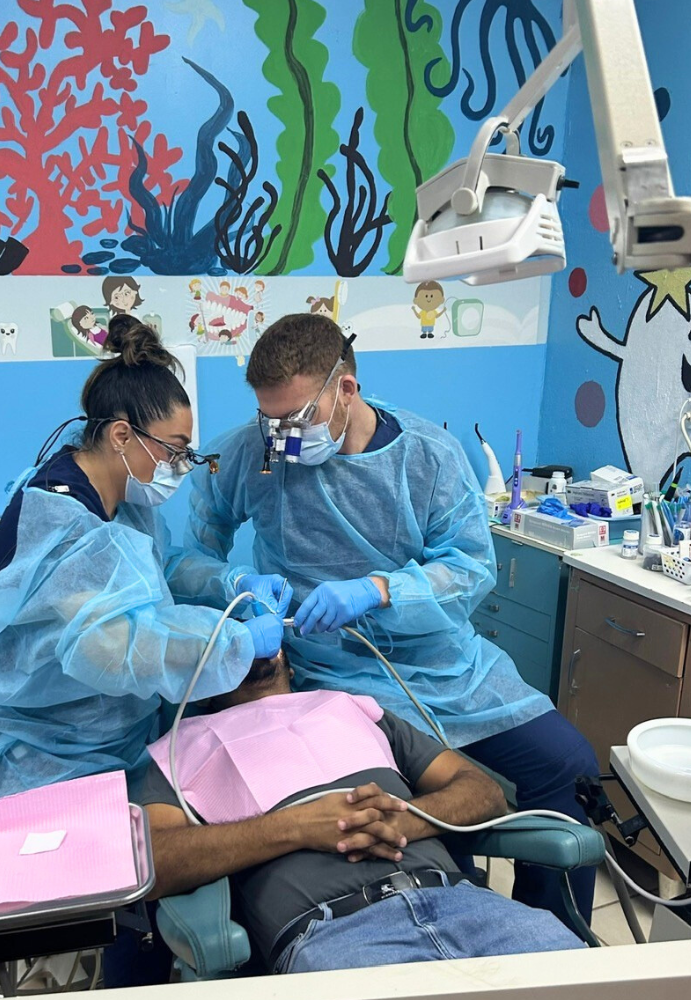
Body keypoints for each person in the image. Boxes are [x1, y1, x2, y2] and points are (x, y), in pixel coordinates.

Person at [167, 312, 599, 924]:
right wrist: (233, 581)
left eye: (295, 420)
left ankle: (553, 944)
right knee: (423, 820)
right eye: (269, 420)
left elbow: (472, 569)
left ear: (345, 389)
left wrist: (377, 590)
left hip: (447, 667)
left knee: (567, 764)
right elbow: (187, 558)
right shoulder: (248, 454)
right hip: (332, 675)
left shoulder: (428, 456)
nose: (280, 437)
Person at [0, 316, 285, 807]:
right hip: (24, 759)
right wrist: (233, 643)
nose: (177, 466)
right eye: (173, 450)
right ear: (122, 436)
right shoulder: (61, 522)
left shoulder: (119, 496)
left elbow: (155, 570)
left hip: (99, 732)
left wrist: (230, 581)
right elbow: (115, 645)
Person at [139, 649, 584, 974]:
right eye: (228, 643)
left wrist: (409, 818)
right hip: (334, 937)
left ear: (291, 664)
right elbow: (155, 863)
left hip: (471, 907)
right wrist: (294, 828)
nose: (249, 646)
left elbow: (481, 790)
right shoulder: (182, 748)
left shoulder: (354, 711)